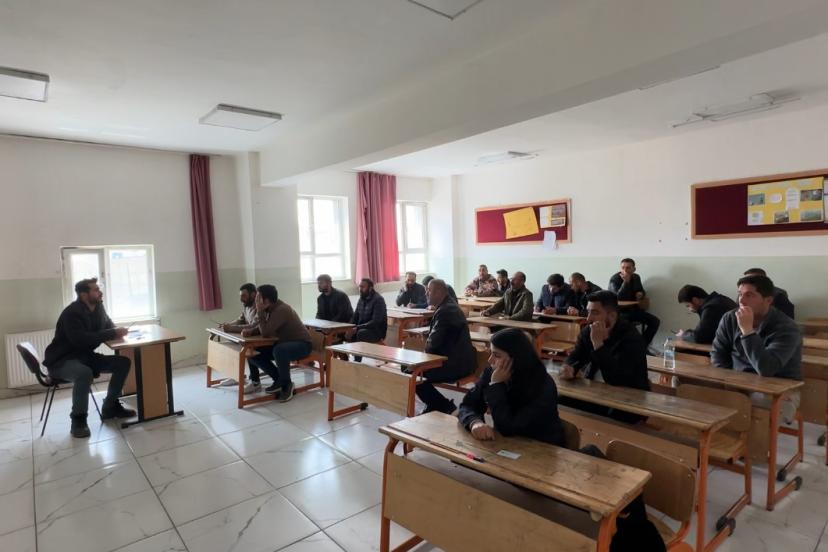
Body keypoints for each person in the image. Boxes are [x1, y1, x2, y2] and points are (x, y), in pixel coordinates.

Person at [43, 278, 135, 438]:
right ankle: (78, 420)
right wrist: (112, 332)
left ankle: (110, 407)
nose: (100, 292)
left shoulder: (99, 307)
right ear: (84, 295)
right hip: (61, 360)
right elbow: (80, 340)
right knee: (84, 373)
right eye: (96, 290)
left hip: (84, 356)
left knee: (122, 363)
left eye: (99, 289)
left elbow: (108, 325)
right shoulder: (71, 313)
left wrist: (117, 331)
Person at [711, 274, 802, 423]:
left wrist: (747, 331)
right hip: (737, 382)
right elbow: (718, 354)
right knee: (687, 387)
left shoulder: (787, 328)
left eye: (749, 295)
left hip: (778, 389)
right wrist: (728, 383)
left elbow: (767, 369)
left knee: (753, 411)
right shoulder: (729, 318)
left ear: (768, 300)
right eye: (740, 294)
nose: (741, 300)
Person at [458, 328, 565, 446]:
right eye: (490, 353)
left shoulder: (543, 384)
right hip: (507, 445)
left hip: (541, 446)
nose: (489, 360)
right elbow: (468, 404)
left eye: (496, 355)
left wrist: (496, 385)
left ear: (516, 358)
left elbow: (508, 428)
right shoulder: (491, 373)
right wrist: (474, 422)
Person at [559, 290, 650, 424]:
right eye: (588, 312)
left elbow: (617, 379)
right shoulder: (588, 331)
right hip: (595, 391)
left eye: (595, 313)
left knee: (612, 418)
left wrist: (598, 345)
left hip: (629, 397)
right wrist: (569, 367)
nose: (588, 319)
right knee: (560, 400)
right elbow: (575, 356)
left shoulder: (631, 338)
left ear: (612, 316)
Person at [415, 279, 476, 414]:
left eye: (429, 290)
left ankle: (443, 406)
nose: (426, 293)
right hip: (454, 359)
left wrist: (421, 357)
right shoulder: (447, 306)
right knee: (412, 369)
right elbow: (441, 336)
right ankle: (436, 405)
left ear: (438, 292)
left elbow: (432, 344)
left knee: (414, 373)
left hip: (455, 364)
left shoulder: (446, 310)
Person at [243, 285, 312, 402]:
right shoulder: (268, 308)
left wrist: (259, 311)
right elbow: (260, 326)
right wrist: (251, 331)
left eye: (258, 298)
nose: (256, 301)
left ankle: (287, 385)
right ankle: (279, 379)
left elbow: (266, 332)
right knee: (252, 351)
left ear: (266, 301)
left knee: (279, 350)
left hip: (302, 345)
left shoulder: (282, 310)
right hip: (283, 344)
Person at [218, 283, 262, 393]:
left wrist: (231, 328)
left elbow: (252, 326)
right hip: (249, 337)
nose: (241, 299)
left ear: (253, 294)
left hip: (259, 339)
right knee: (232, 347)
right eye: (241, 296)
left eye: (244, 296)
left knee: (247, 348)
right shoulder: (247, 305)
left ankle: (255, 382)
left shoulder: (259, 307)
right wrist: (228, 325)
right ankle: (237, 375)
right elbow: (240, 319)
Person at [607, 258, 661, 346]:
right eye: (623, 268)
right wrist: (626, 282)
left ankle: (642, 345)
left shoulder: (636, 277)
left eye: (628, 268)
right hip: (620, 312)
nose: (625, 270)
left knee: (655, 321)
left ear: (634, 269)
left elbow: (641, 290)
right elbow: (618, 298)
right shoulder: (614, 279)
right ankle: (631, 348)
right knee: (629, 329)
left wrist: (641, 294)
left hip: (633, 310)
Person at [345, 278, 387, 343]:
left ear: (370, 288)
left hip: (376, 331)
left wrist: (357, 328)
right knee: (346, 331)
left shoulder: (378, 300)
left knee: (361, 333)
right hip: (362, 328)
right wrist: (348, 327)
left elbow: (375, 322)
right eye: (360, 287)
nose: (360, 289)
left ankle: (358, 350)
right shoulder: (361, 299)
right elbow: (355, 317)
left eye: (363, 287)